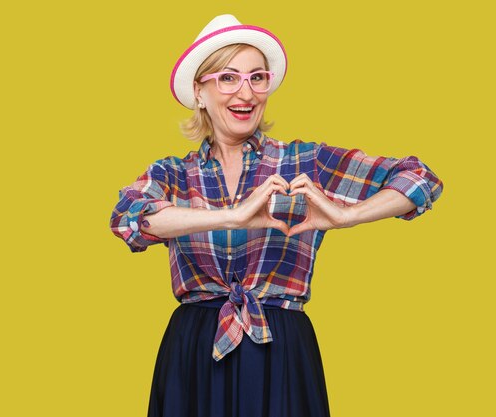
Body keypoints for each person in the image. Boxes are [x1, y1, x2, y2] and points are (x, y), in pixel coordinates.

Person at [110, 14, 443, 417]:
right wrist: (232, 217)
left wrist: (342, 216)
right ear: (200, 92)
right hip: (194, 349)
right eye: (228, 78)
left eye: (257, 77)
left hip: (281, 348)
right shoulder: (174, 175)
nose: (245, 92)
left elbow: (421, 180)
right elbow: (129, 218)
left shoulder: (304, 162)